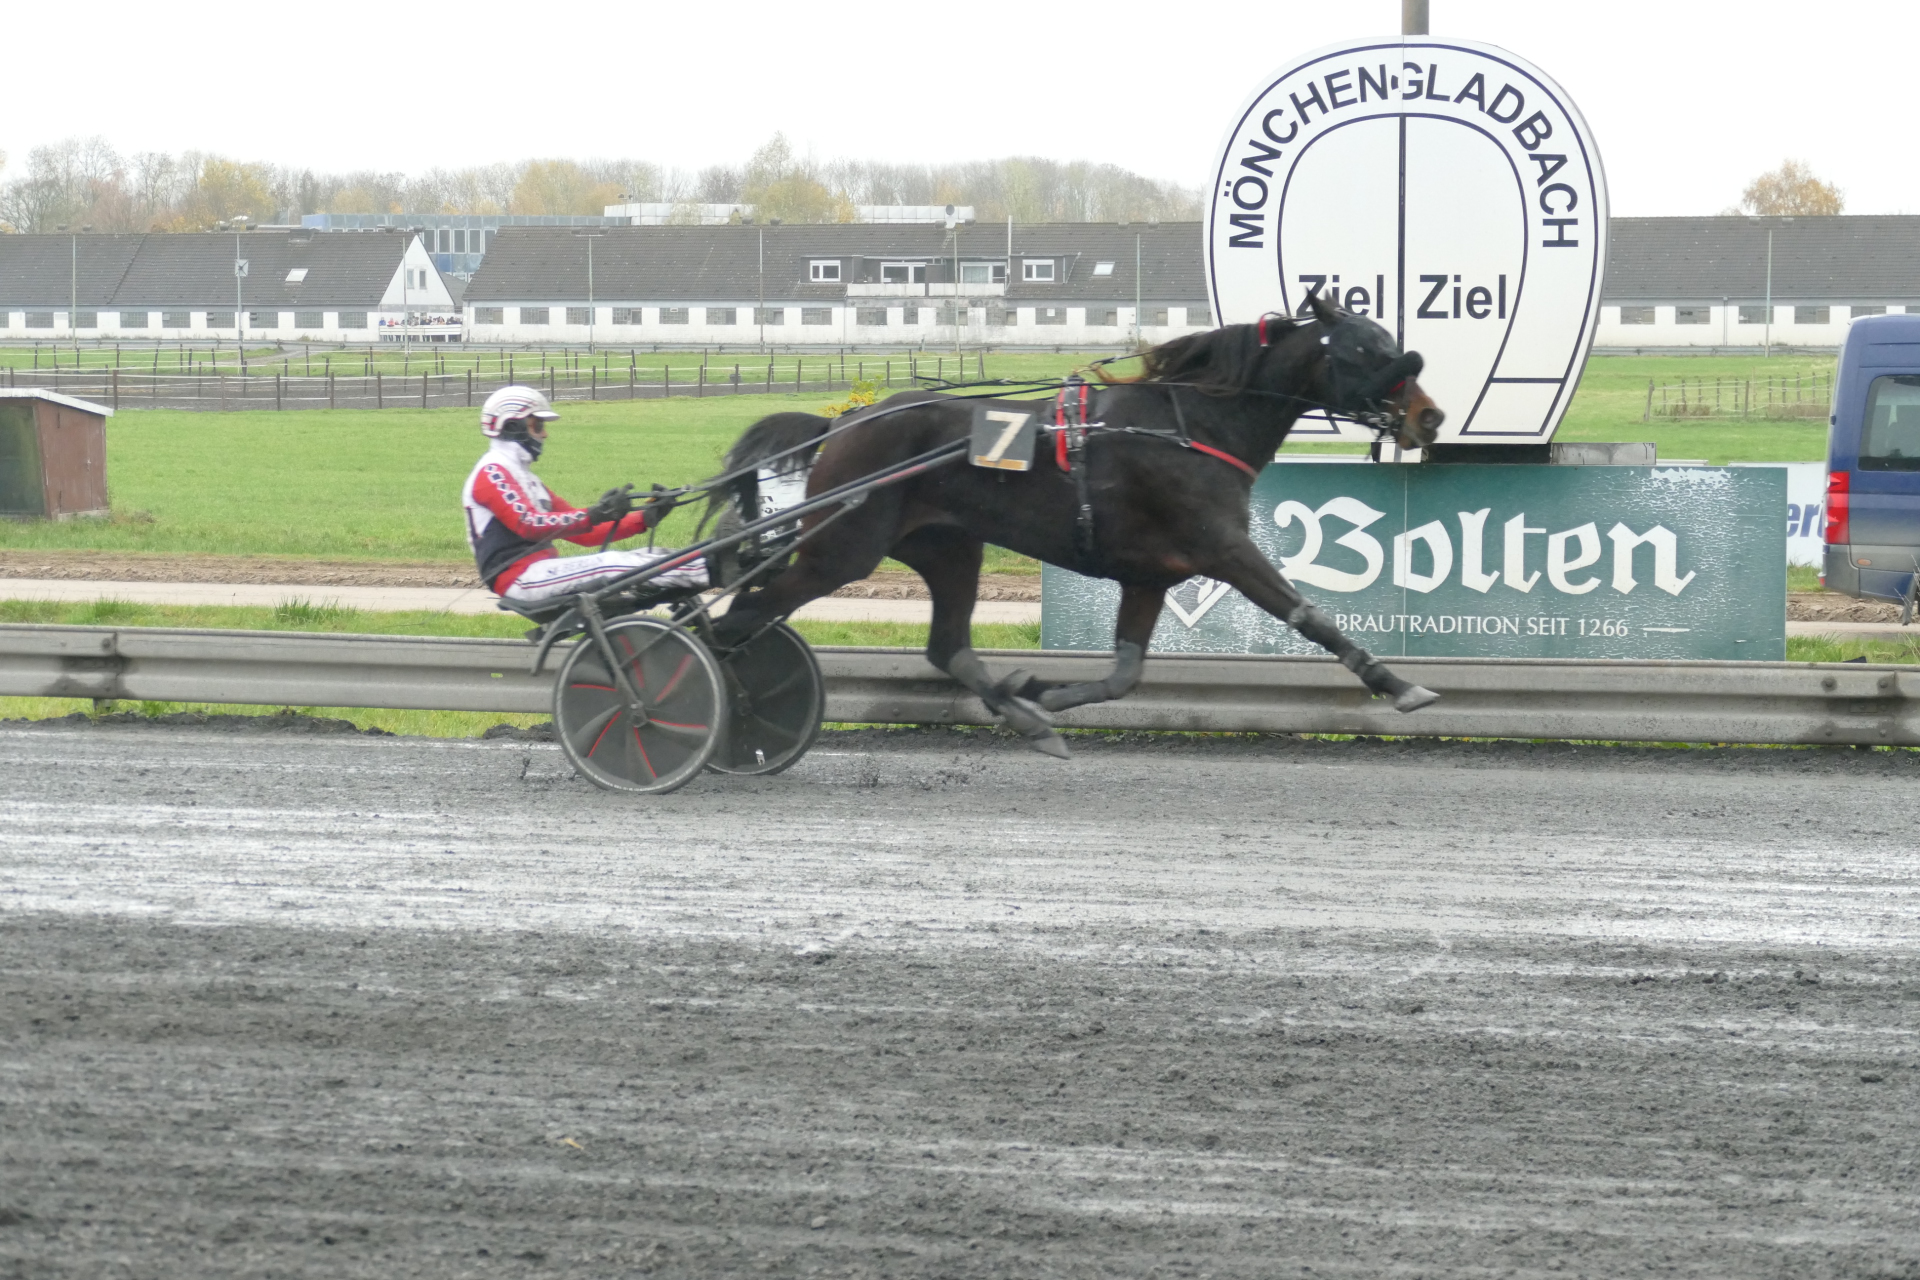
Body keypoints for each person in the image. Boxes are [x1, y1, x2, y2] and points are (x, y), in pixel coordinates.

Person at [462, 385, 708, 606]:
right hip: (520, 579)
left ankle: (706, 563)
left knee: (648, 556)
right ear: (512, 427)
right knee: (611, 563)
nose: (545, 434)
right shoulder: (492, 473)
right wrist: (595, 513)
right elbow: (529, 524)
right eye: (538, 425)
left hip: (539, 570)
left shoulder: (526, 479)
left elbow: (586, 535)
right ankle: (711, 569)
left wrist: (644, 517)